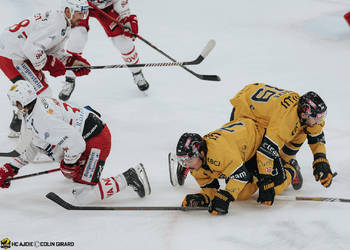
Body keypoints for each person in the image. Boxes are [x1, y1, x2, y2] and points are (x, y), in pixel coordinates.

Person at [172, 83, 334, 204]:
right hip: (247, 113)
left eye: (321, 117)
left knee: (295, 140)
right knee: (260, 172)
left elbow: (315, 134)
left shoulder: (303, 115)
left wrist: (321, 159)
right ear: (305, 112)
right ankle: (192, 163)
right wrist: (266, 181)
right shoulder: (284, 122)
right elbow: (265, 152)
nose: (319, 120)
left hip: (254, 111)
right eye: (317, 117)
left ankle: (289, 167)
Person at [0, 81, 151, 204]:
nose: (15, 106)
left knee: (84, 195)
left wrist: (69, 163)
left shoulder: (44, 120)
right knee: (71, 173)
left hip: (96, 138)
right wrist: (10, 168)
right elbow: (28, 143)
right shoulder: (33, 110)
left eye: (16, 103)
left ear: (23, 101)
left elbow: (76, 143)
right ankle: (81, 171)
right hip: (86, 133)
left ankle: (130, 176)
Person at [0, 0, 92, 138]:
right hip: (11, 55)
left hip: (16, 53)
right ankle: (38, 139)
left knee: (36, 90)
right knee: (43, 95)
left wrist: (72, 61)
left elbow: (52, 51)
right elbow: (31, 48)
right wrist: (51, 63)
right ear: (68, 11)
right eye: (80, 13)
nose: (83, 18)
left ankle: (18, 124)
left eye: (85, 13)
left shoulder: (64, 23)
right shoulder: (56, 23)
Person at [175, 118, 300, 215]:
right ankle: (257, 177)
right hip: (240, 148)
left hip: (258, 141)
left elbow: (241, 176)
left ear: (201, 153)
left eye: (188, 160)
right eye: (183, 161)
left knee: (273, 188)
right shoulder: (196, 163)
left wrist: (226, 196)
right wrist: (205, 197)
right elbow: (211, 186)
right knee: (241, 195)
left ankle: (292, 168)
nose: (186, 165)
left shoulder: (219, 153)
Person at [59, 0, 149, 101]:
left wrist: (127, 20)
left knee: (123, 42)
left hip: (108, 6)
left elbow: (123, 7)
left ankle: (136, 72)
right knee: (78, 37)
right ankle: (70, 78)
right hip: (82, 5)